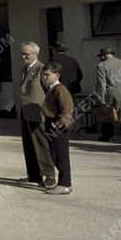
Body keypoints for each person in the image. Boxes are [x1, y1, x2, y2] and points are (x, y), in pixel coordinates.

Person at [18, 42, 55, 188]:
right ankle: (34, 175)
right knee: (28, 143)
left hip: (37, 109)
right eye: (22, 53)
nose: (23, 56)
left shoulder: (42, 69)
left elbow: (50, 90)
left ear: (35, 54)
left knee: (40, 143)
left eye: (26, 53)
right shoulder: (24, 69)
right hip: (26, 109)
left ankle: (49, 175)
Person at [41, 62, 74, 195]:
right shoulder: (51, 88)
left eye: (47, 75)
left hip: (58, 126)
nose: (45, 77)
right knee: (54, 155)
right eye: (43, 75)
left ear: (57, 75)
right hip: (51, 123)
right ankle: (61, 183)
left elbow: (67, 108)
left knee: (61, 156)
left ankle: (65, 184)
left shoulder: (60, 89)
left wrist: (60, 123)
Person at [95, 48, 121, 143]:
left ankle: (106, 136)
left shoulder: (101, 65)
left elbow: (101, 84)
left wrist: (101, 99)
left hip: (111, 91)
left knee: (108, 113)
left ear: (103, 56)